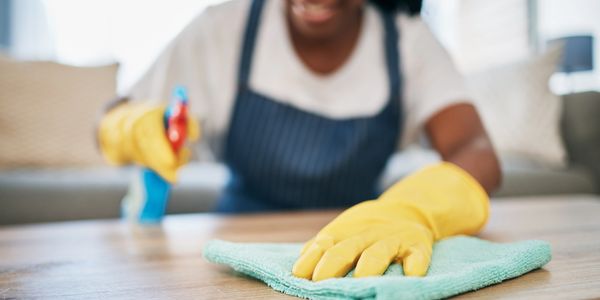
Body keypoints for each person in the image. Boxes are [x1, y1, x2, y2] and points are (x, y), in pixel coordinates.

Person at [98, 0, 501, 281]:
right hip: (238, 252)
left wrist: (414, 210)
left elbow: (477, 152)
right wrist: (125, 126)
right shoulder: (225, 27)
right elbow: (112, 112)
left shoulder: (408, 40)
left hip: (361, 249)